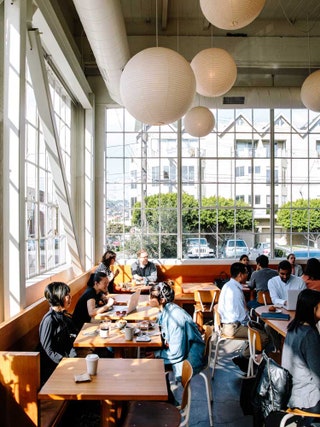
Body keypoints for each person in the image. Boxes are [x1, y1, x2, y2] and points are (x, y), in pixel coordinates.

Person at [147, 282, 205, 382]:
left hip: (189, 357)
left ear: (162, 300)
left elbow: (177, 353)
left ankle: (164, 394)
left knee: (148, 365)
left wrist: (157, 354)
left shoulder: (174, 319)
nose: (149, 298)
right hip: (182, 350)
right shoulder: (166, 309)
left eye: (151, 296)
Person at [218, 262, 270, 372]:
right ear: (240, 275)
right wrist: (251, 323)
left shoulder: (228, 285)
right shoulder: (235, 291)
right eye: (246, 273)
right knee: (264, 337)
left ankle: (244, 358)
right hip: (233, 327)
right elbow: (241, 316)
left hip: (227, 324)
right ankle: (244, 357)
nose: (248, 275)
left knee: (257, 330)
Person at [281, 289, 320, 427]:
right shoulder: (310, 335)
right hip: (307, 398)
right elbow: (318, 377)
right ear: (313, 309)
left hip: (292, 392)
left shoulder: (293, 328)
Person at [39, 282, 78, 384]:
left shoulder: (63, 315)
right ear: (58, 298)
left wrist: (73, 357)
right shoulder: (49, 320)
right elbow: (48, 351)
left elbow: (69, 340)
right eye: (67, 295)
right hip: (53, 369)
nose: (70, 297)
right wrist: (66, 362)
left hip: (65, 361)